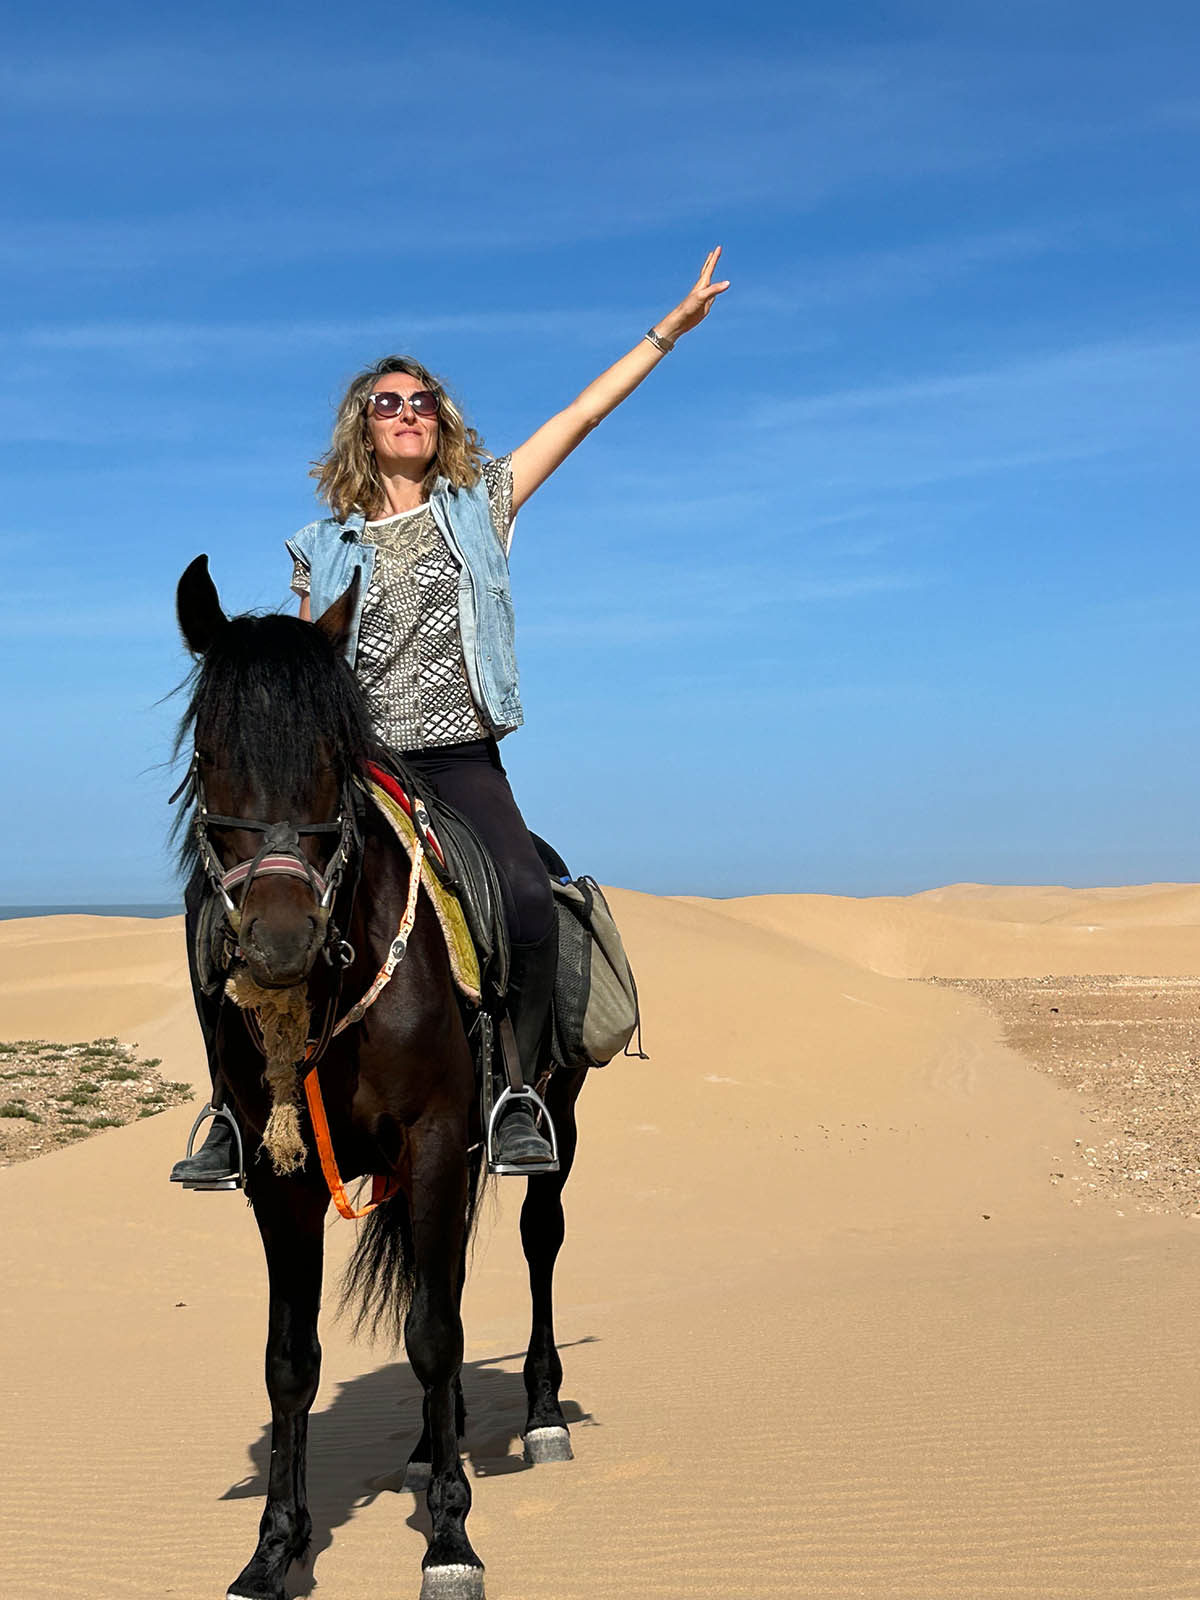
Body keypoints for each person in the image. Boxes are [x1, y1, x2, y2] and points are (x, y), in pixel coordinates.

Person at [171, 248, 731, 1186]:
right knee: (210, 906)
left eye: (421, 400)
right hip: (364, 764)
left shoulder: (483, 508)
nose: (406, 412)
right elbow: (313, 675)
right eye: (387, 402)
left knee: (522, 895)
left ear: (442, 423)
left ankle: (512, 1092)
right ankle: (232, 1113)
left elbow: (581, 418)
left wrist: (666, 333)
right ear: (363, 426)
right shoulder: (318, 545)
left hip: (462, 756)